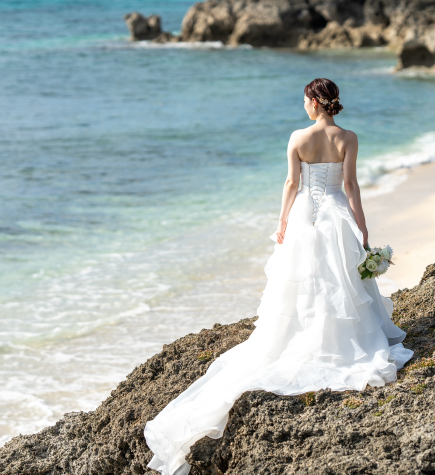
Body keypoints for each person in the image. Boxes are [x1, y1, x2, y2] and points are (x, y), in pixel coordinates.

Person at [143, 78, 414, 475]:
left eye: (305, 100)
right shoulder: (348, 137)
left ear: (313, 101)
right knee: (340, 281)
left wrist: (283, 220)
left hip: (306, 215)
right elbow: (351, 185)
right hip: (337, 214)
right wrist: (362, 228)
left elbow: (291, 183)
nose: (304, 105)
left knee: (303, 283)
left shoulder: (297, 137)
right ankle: (340, 337)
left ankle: (303, 334)